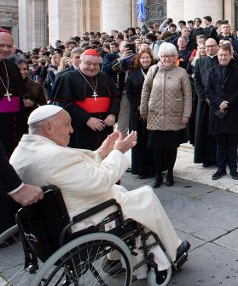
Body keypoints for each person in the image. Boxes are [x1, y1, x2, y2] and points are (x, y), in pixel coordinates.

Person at [10, 105, 190, 272]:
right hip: (80, 220)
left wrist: (102, 153)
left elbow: (76, 173)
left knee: (123, 194)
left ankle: (117, 258)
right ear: (48, 128)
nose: (71, 130)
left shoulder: (22, 151)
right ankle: (171, 252)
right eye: (67, 125)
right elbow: (101, 181)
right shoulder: (53, 156)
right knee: (145, 195)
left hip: (53, 219)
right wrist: (118, 152)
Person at [140, 43, 192, 188]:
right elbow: (145, 90)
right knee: (156, 148)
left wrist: (186, 114)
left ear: (175, 57)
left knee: (171, 147)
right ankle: (158, 175)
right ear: (160, 57)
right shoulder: (153, 70)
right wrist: (143, 110)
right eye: (164, 56)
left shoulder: (181, 73)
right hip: (155, 115)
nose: (167, 59)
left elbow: (188, 95)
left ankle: (169, 173)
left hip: (174, 115)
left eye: (170, 56)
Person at [52, 49, 120, 150]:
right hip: (79, 128)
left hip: (104, 127)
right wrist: (86, 119)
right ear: (80, 62)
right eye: (88, 64)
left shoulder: (105, 77)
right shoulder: (68, 77)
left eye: (96, 64)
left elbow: (116, 97)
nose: (92, 67)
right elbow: (64, 103)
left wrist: (112, 114)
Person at [207, 44, 238, 180]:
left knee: (232, 142)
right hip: (217, 111)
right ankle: (221, 168)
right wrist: (219, 103)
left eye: (225, 55)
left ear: (230, 55)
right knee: (220, 142)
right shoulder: (211, 71)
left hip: (232, 111)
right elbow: (209, 91)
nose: (222, 57)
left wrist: (227, 103)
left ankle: (233, 169)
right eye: (220, 55)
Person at [125, 49, 156, 178]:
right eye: (143, 58)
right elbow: (129, 92)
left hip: (154, 112)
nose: (145, 60)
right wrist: (138, 106)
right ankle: (141, 169)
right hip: (137, 112)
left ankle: (153, 168)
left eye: (147, 58)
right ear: (139, 60)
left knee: (152, 140)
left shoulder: (156, 72)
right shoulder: (133, 74)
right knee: (139, 141)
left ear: (151, 59)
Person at [192, 38, 218, 167]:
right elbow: (197, 81)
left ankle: (219, 158)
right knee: (204, 130)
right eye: (207, 46)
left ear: (217, 47)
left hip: (219, 102)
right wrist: (204, 97)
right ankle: (206, 158)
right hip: (204, 102)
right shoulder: (200, 62)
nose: (209, 48)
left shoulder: (222, 60)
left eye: (212, 46)